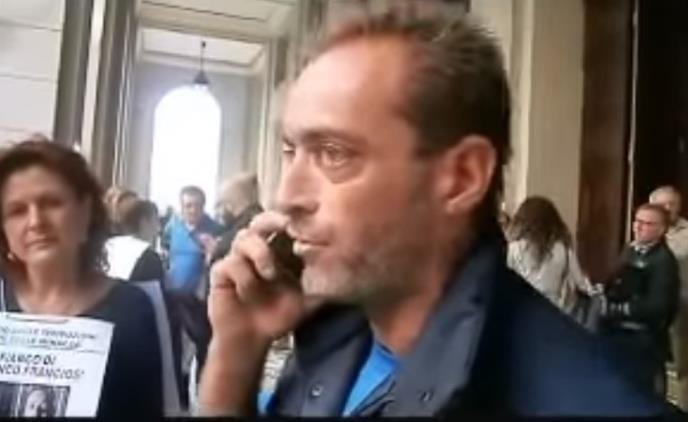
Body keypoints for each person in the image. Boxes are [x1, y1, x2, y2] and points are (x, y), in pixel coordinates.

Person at [198, 12, 677, 418]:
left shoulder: (588, 403)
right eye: (290, 150)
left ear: (463, 176)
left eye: (334, 153)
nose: (287, 196)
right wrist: (235, 355)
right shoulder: (334, 332)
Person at [0, 140, 163, 418]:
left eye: (51, 203)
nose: (35, 221)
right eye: (17, 211)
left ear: (85, 211)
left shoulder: (133, 308)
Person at [600, 203, 680, 397]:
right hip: (619, 332)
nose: (638, 227)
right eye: (637, 221)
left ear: (662, 229)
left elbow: (659, 305)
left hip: (645, 337)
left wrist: (621, 309)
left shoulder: (663, 260)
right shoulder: (630, 249)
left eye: (647, 223)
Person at [507, 196, 597, 313]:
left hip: (524, 312)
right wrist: (596, 290)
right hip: (554, 313)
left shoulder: (514, 249)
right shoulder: (563, 249)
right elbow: (581, 284)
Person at [650, 186, 688, 409]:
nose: (666, 208)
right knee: (653, 362)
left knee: (683, 365)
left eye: (671, 204)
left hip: (682, 308)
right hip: (652, 308)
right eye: (661, 204)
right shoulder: (646, 231)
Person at [161, 186, 222, 296]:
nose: (193, 210)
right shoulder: (172, 226)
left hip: (199, 297)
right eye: (188, 206)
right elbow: (164, 250)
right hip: (171, 293)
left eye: (198, 206)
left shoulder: (215, 229)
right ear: (181, 207)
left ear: (203, 206)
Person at [210, 173, 264, 266]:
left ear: (228, 205)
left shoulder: (230, 240)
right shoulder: (269, 226)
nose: (217, 209)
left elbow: (215, 270)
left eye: (220, 203)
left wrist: (213, 252)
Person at [105, 199, 164, 282]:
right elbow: (152, 290)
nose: (159, 226)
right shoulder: (149, 257)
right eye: (156, 220)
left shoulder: (108, 245)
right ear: (144, 221)